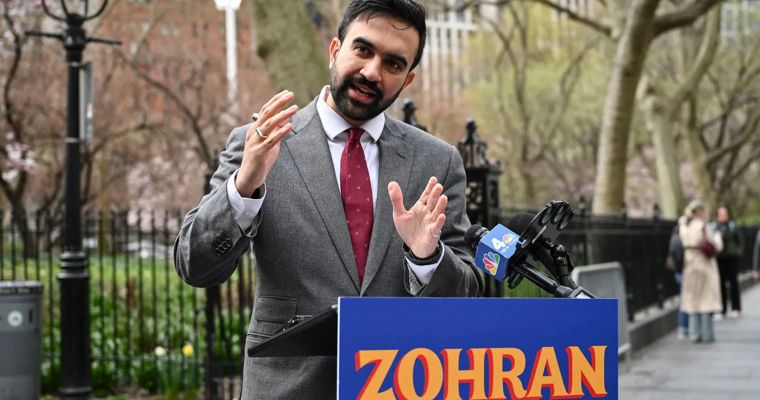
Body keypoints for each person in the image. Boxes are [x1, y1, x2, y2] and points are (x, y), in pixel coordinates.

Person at [174, 0, 482, 398]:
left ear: (407, 81)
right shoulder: (261, 143)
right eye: (363, 50)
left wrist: (428, 259)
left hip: (398, 384)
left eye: (392, 64)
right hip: (286, 388)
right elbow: (195, 267)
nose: (371, 72)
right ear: (335, 50)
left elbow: (466, 298)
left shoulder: (437, 161)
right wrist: (244, 186)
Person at [678, 200, 723, 343]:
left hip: (689, 265)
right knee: (706, 300)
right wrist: (718, 237)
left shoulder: (684, 226)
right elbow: (715, 245)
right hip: (703, 264)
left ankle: (694, 334)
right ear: (700, 212)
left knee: (692, 301)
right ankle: (707, 334)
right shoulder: (703, 225)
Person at [711, 206, 745, 319]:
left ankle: (736, 308)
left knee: (733, 282)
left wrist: (737, 252)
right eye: (721, 214)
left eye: (725, 214)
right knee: (720, 283)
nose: (724, 216)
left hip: (731, 257)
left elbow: (740, 240)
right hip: (719, 257)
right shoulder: (714, 226)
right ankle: (722, 309)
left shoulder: (732, 226)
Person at [665, 218, 688, 338]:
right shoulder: (678, 238)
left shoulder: (675, 236)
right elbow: (679, 257)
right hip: (682, 272)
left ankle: (685, 327)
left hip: (680, 271)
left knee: (685, 299)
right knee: (685, 300)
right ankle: (683, 327)